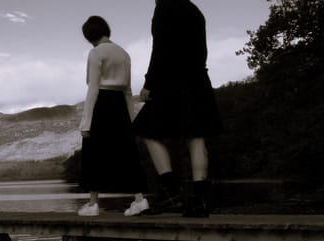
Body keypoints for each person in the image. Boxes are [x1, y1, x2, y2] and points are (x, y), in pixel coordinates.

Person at [132, 0, 222, 218]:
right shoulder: (194, 10)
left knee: (145, 129)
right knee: (196, 137)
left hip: (171, 81)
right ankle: (199, 202)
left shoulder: (164, 7)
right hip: (198, 79)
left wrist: (149, 82)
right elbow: (202, 50)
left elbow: (160, 48)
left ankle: (171, 191)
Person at [77, 16, 151, 217]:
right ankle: (139, 199)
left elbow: (93, 88)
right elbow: (128, 90)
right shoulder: (124, 53)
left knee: (93, 152)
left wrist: (86, 122)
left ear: (88, 36)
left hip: (102, 102)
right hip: (119, 104)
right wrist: (131, 118)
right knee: (128, 153)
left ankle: (92, 204)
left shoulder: (95, 53)